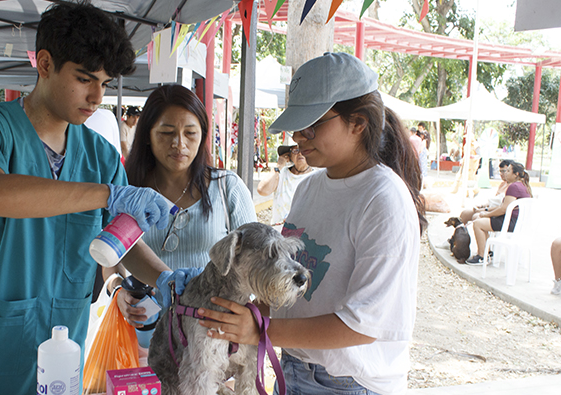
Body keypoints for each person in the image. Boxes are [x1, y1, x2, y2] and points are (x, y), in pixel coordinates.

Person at [0, 3, 189, 394]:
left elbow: (120, 241)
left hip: (62, 347)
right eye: (84, 79)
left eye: (104, 82)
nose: (97, 95)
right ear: (45, 64)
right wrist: (107, 194)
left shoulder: (98, 155)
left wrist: (164, 279)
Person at [198, 52, 426, 395]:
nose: (299, 137)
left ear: (357, 123)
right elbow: (282, 284)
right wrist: (244, 319)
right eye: (297, 126)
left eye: (311, 125)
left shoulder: (384, 200)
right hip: (294, 369)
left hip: (349, 383)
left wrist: (259, 331)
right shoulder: (308, 188)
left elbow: (362, 325)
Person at [116, 84, 257, 324]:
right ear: (147, 135)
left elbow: (254, 261)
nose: (179, 144)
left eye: (190, 133)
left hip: (211, 330)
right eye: (166, 132)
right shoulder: (128, 190)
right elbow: (110, 254)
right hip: (144, 331)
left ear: (202, 135)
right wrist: (117, 289)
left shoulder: (227, 188)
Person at [466, 162, 532, 265]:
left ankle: (481, 257)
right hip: (519, 223)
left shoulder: (513, 187)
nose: (506, 174)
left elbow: (504, 208)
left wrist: (487, 214)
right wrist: (487, 211)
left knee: (478, 223)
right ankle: (487, 252)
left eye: (508, 171)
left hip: (511, 222)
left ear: (516, 174)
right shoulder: (523, 185)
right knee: (482, 221)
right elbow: (504, 207)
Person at [257, 144, 314, 227]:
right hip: (279, 233)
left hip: (304, 232)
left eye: (303, 149)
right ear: (289, 156)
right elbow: (262, 190)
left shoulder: (316, 177)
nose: (300, 153)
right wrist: (278, 166)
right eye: (296, 150)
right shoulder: (281, 173)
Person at [458, 159, 514, 224]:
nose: (502, 174)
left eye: (504, 171)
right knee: (465, 214)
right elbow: (494, 201)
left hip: (498, 213)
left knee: (476, 217)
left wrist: (485, 210)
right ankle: (462, 233)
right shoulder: (502, 184)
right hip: (490, 208)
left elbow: (502, 207)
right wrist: (482, 206)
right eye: (500, 171)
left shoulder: (513, 187)